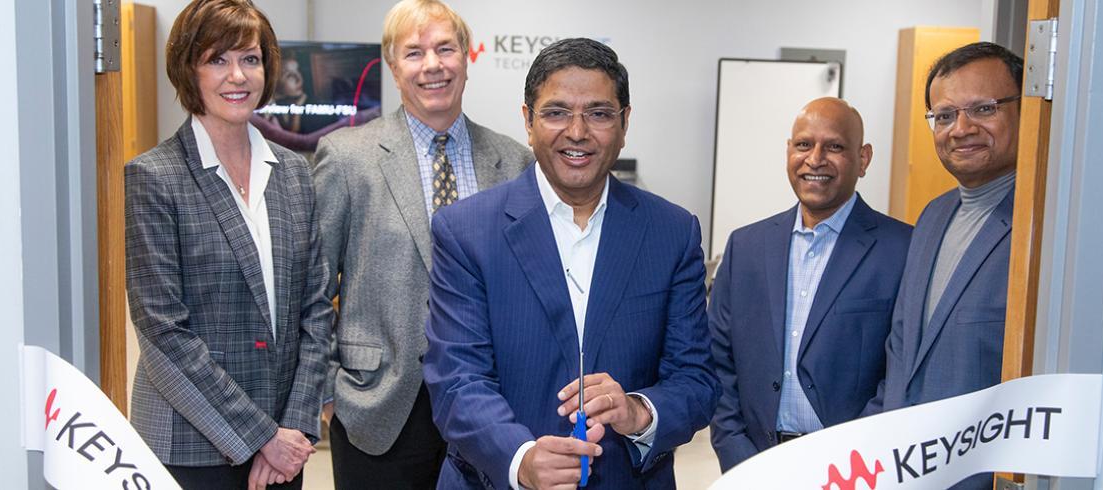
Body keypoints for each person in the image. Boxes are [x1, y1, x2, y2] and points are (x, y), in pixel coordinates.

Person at [422, 38, 720, 489]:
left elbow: (696, 379)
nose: (577, 132)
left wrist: (639, 411)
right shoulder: (465, 232)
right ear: (527, 120)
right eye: (556, 112)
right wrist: (520, 458)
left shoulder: (672, 232)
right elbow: (457, 381)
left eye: (599, 114)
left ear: (624, 123)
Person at [312, 0, 532, 487]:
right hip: (380, 409)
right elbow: (312, 286)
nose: (432, 65)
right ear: (393, 67)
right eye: (414, 53)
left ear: (467, 58)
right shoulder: (349, 159)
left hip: (491, 404)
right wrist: (330, 391)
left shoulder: (514, 163)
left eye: (445, 49)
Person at [124, 1, 332, 489]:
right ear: (187, 68)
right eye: (217, 59)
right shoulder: (155, 177)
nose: (237, 76)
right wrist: (262, 436)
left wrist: (295, 429)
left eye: (250, 59)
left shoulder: (294, 174)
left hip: (284, 449)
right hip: (190, 447)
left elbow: (316, 310)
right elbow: (163, 334)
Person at [708, 97, 912, 472]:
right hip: (755, 465)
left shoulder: (902, 249)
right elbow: (718, 362)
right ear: (789, 151)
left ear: (863, 158)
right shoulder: (746, 247)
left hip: (853, 470)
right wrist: (740, 459)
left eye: (834, 146)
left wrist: (847, 463)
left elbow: (899, 375)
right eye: (803, 144)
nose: (815, 159)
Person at [863, 41, 1024, 490]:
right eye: (945, 115)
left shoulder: (1043, 226)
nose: (962, 129)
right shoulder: (933, 215)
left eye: (983, 109)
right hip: (906, 470)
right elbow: (902, 353)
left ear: (1026, 110)